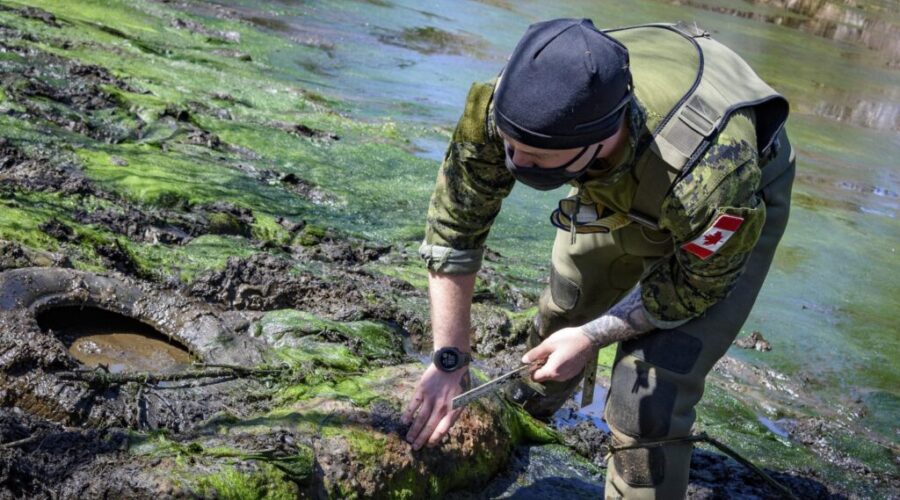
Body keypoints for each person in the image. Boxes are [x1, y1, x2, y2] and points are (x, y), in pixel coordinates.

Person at [400, 18, 794, 499]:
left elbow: (691, 289)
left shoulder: (713, 177)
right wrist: (449, 360)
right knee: (566, 304)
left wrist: (593, 337)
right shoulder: (510, 102)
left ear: (600, 138)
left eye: (537, 157)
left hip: (725, 194)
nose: (515, 163)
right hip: (617, 170)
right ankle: (528, 416)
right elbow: (455, 228)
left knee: (647, 393)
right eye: (509, 146)